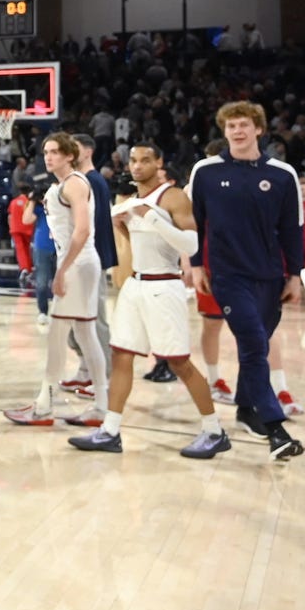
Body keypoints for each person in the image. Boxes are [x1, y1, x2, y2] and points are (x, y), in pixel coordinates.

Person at [68, 143, 230, 457]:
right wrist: (125, 226)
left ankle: (214, 431)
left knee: (179, 362)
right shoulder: (132, 201)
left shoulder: (173, 197)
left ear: (159, 162)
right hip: (136, 284)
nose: (137, 166)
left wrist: (151, 218)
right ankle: (110, 431)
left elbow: (192, 244)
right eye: (133, 160)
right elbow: (144, 243)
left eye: (145, 160)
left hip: (164, 286)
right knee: (122, 356)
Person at [188, 101, 304, 460]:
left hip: (270, 276)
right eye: (231, 126)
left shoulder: (284, 174)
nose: (237, 131)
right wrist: (195, 266)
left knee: (258, 344)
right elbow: (194, 223)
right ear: (224, 131)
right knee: (254, 343)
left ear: (258, 129)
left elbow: (292, 230)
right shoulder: (205, 171)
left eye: (244, 125)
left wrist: (295, 275)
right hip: (227, 275)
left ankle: (244, 408)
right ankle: (275, 428)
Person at [5, 132, 108, 426]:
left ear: (69, 155)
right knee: (86, 337)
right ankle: (100, 405)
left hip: (77, 262)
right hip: (79, 262)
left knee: (57, 335)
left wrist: (62, 271)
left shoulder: (75, 183)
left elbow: (83, 230)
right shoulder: (63, 185)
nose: (48, 156)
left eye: (54, 152)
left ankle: (43, 407)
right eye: (46, 152)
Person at [58, 134, 118, 399]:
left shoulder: (91, 181)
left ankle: (102, 376)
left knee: (95, 319)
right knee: (77, 321)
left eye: (75, 148)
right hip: (86, 256)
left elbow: (91, 227)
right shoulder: (84, 181)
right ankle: (86, 369)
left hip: (92, 256)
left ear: (88, 151)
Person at [24, 177, 56, 325]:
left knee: (59, 283)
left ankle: (58, 311)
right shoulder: (39, 208)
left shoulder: (59, 204)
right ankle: (43, 311)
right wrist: (32, 199)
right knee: (42, 283)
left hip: (59, 246)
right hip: (42, 247)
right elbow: (26, 219)